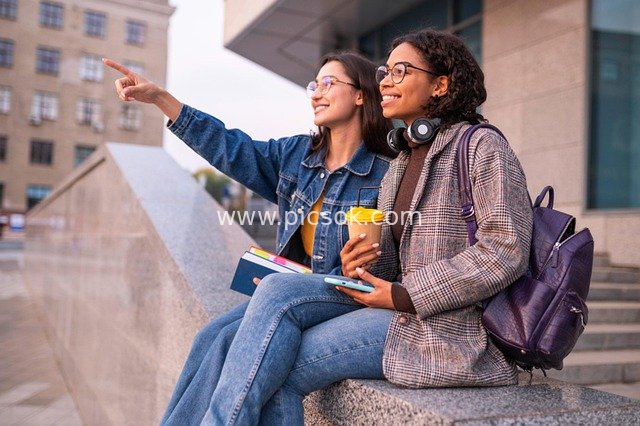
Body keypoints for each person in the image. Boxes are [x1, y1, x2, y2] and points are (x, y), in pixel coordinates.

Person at [167, 28, 533, 425]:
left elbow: (505, 250)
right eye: (385, 72)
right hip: (398, 310)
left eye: (401, 71)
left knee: (274, 337)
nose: (386, 82)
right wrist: (358, 263)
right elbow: (389, 264)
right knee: (267, 345)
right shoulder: (402, 163)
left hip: (448, 329)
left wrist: (406, 294)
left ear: (440, 85)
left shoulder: (482, 146)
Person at [104, 52, 394, 424]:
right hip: (297, 290)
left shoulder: (385, 172)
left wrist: (355, 264)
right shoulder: (296, 156)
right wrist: (162, 98)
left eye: (328, 84)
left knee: (262, 324)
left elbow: (394, 258)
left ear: (360, 95)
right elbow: (230, 148)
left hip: (347, 294)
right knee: (212, 338)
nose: (316, 94)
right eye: (313, 85)